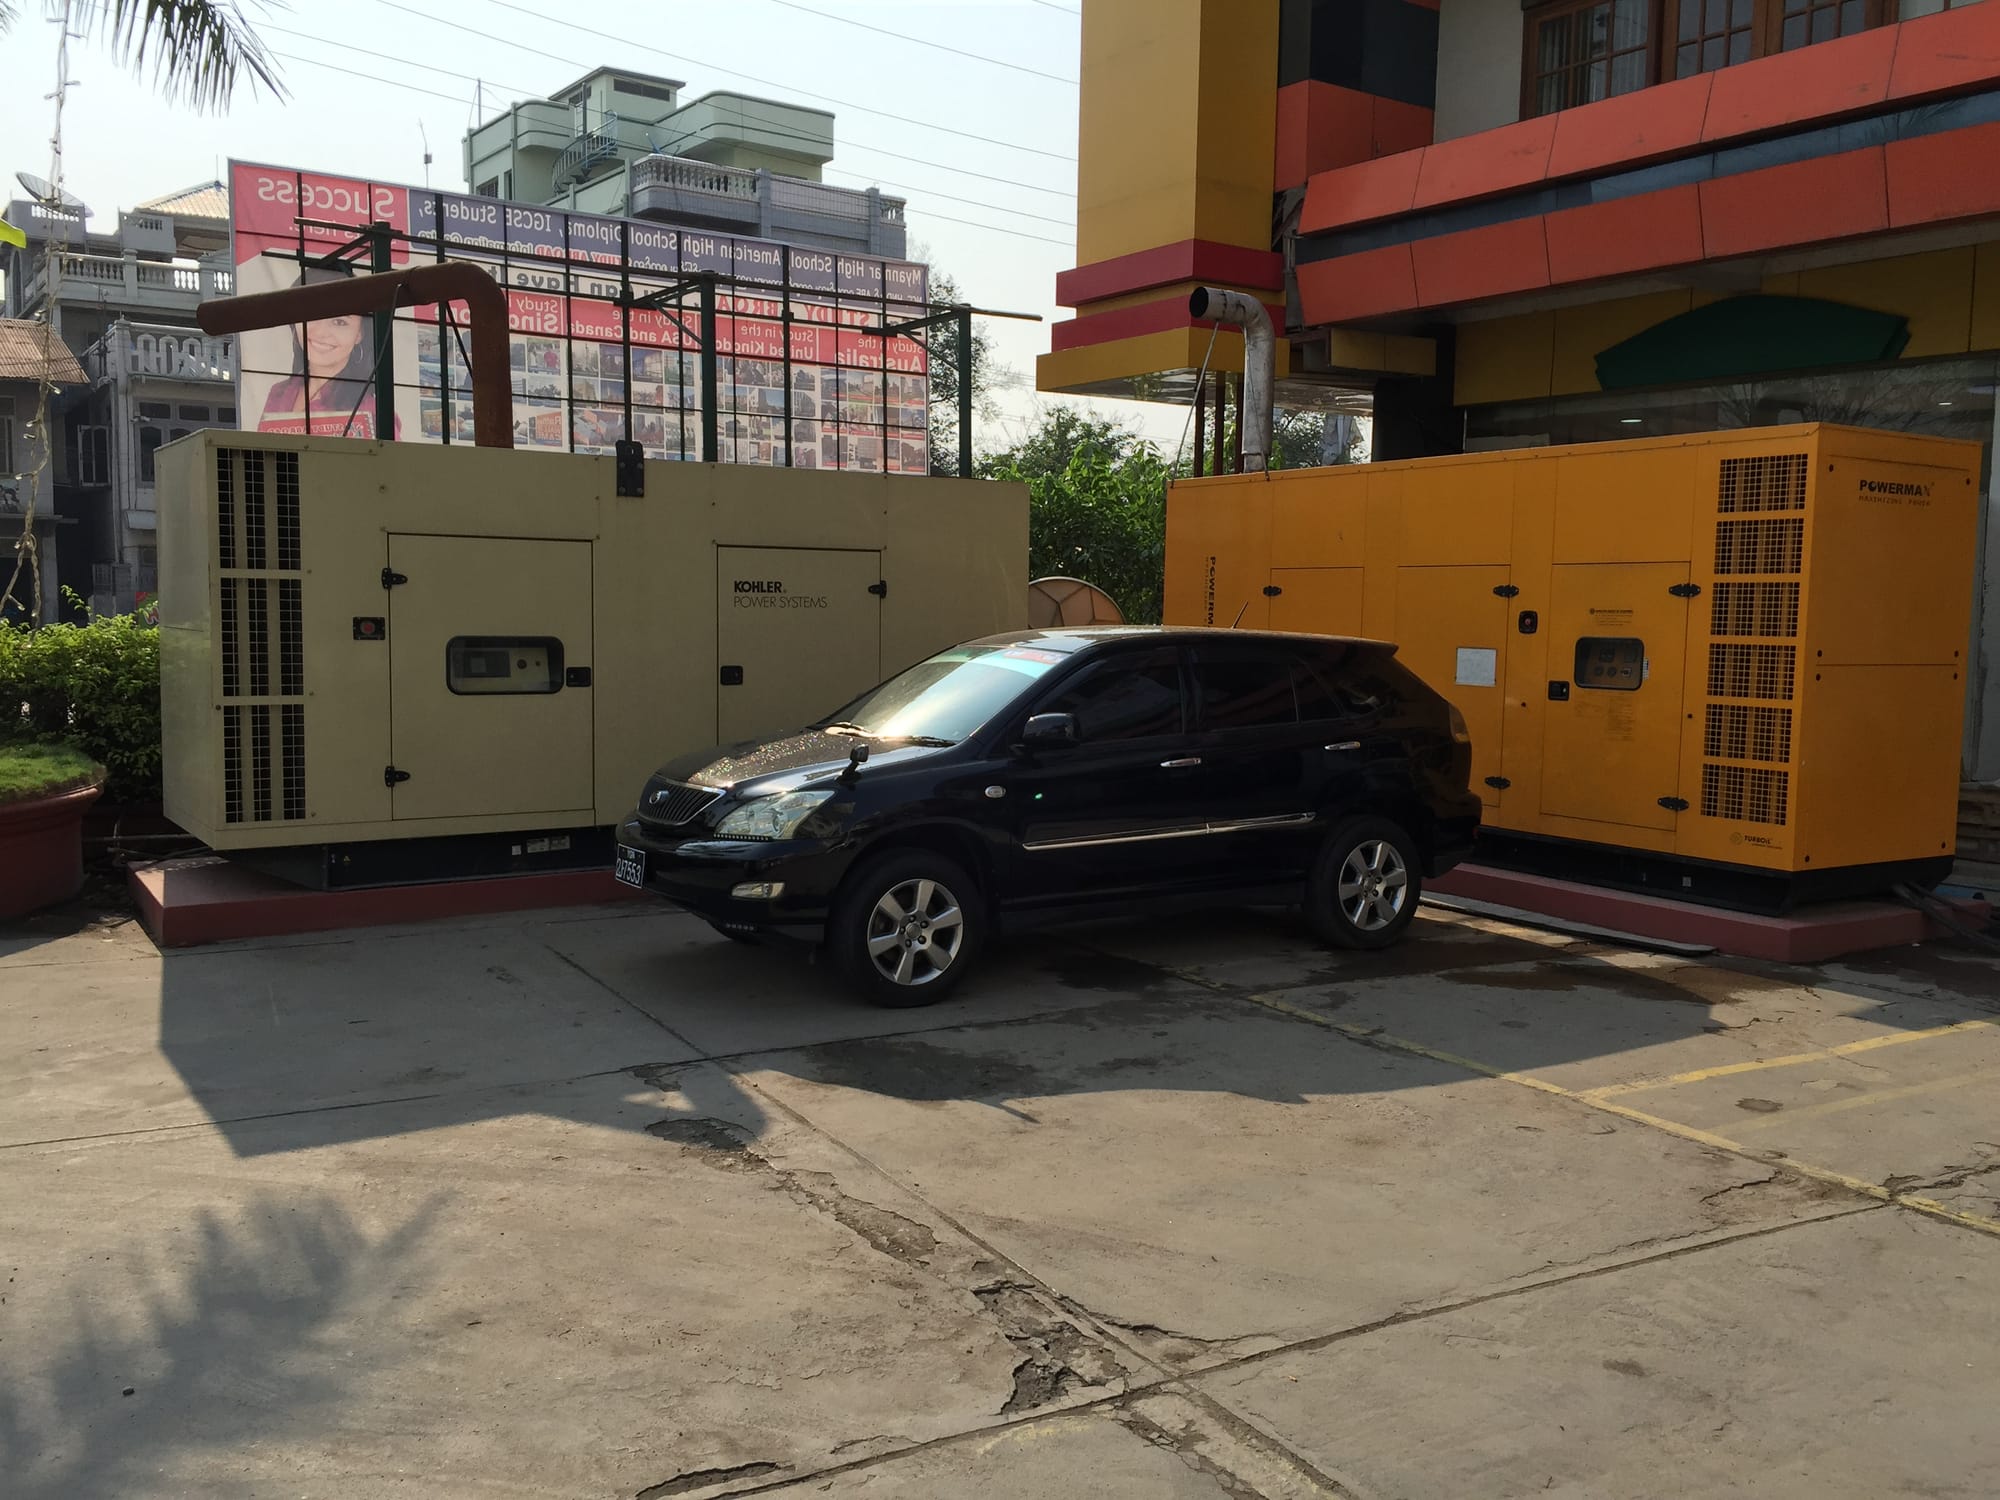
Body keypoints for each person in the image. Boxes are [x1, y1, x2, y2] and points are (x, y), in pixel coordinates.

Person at [255, 268, 401, 439]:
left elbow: (392, 464)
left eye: (339, 322)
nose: (322, 333)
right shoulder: (279, 392)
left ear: (360, 333)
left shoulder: (374, 410)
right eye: (313, 315)